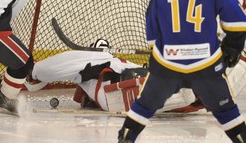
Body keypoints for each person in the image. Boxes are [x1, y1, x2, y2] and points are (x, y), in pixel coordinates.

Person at [118, 0, 246, 143]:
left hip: (167, 67)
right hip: (206, 66)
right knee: (226, 110)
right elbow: (238, 23)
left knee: (143, 107)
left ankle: (124, 139)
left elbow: (152, 35)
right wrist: (231, 49)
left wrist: (162, 58)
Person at [25, 39, 196, 112]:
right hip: (115, 90)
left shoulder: (109, 60)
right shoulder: (98, 58)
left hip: (118, 92)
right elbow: (62, 64)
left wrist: (37, 73)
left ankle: (185, 91)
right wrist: (36, 71)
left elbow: (60, 66)